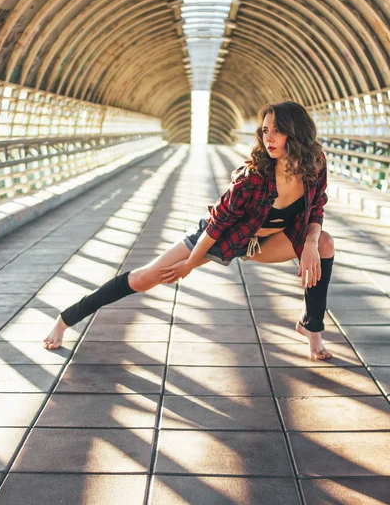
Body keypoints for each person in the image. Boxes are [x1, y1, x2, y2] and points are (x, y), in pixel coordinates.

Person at [43, 101, 334, 359]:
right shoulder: (252, 179)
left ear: (295, 134)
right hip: (222, 237)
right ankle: (66, 319)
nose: (267, 137)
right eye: (264, 130)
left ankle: (311, 329)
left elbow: (317, 204)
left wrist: (309, 242)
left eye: (276, 131)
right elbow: (217, 225)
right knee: (146, 277)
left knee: (324, 244)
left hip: (271, 239)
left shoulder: (314, 163)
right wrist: (189, 265)